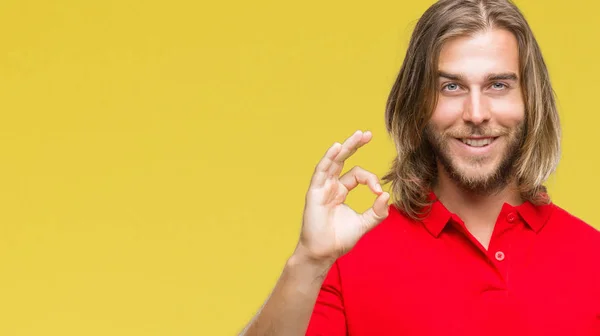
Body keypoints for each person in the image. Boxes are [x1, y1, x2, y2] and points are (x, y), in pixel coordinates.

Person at [240, 0, 600, 335]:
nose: (476, 114)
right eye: (451, 86)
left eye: (498, 85)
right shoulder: (348, 258)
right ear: (417, 104)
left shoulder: (592, 259)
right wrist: (309, 261)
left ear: (530, 100)